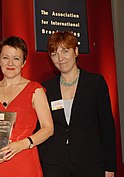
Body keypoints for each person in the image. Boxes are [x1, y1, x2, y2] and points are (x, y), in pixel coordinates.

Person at [38, 31, 116, 177]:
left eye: (65, 51)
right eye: (54, 54)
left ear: (76, 51)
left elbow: (107, 127)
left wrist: (110, 166)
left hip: (90, 162)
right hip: (54, 164)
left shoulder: (95, 83)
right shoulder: (47, 88)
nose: (60, 58)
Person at [0, 36, 54, 177]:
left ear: (24, 62)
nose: (10, 63)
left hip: (24, 162)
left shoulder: (35, 90)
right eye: (5, 57)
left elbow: (48, 128)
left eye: (16, 58)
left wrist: (23, 144)